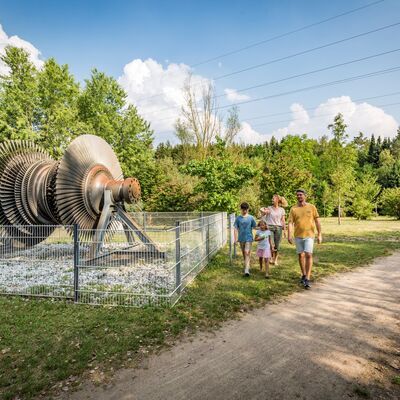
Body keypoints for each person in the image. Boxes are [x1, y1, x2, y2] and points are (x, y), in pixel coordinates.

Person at [287, 189, 322, 289]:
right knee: (301, 255)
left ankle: (307, 277)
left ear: (305, 196)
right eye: (297, 195)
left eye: (301, 195)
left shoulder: (311, 207)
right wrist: (289, 235)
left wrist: (320, 234)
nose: (299, 196)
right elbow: (290, 223)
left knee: (308, 254)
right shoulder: (293, 209)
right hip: (298, 235)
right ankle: (303, 274)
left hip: (309, 235)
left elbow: (317, 221)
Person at [260, 194, 287, 266]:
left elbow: (283, 221)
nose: (272, 200)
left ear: (277, 200)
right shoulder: (269, 208)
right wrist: (264, 211)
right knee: (270, 244)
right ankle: (271, 258)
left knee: (277, 245)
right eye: (272, 198)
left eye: (273, 199)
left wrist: (284, 231)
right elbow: (262, 211)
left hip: (278, 228)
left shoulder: (282, 210)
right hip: (270, 227)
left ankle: (275, 260)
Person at [234, 202, 257, 277]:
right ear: (241, 209)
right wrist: (235, 239)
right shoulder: (238, 218)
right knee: (244, 253)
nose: (244, 211)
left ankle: (246, 270)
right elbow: (235, 229)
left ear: (248, 209)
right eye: (243, 209)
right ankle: (247, 264)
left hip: (249, 238)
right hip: (241, 239)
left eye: (246, 209)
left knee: (247, 252)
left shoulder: (251, 218)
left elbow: (254, 227)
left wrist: (263, 230)